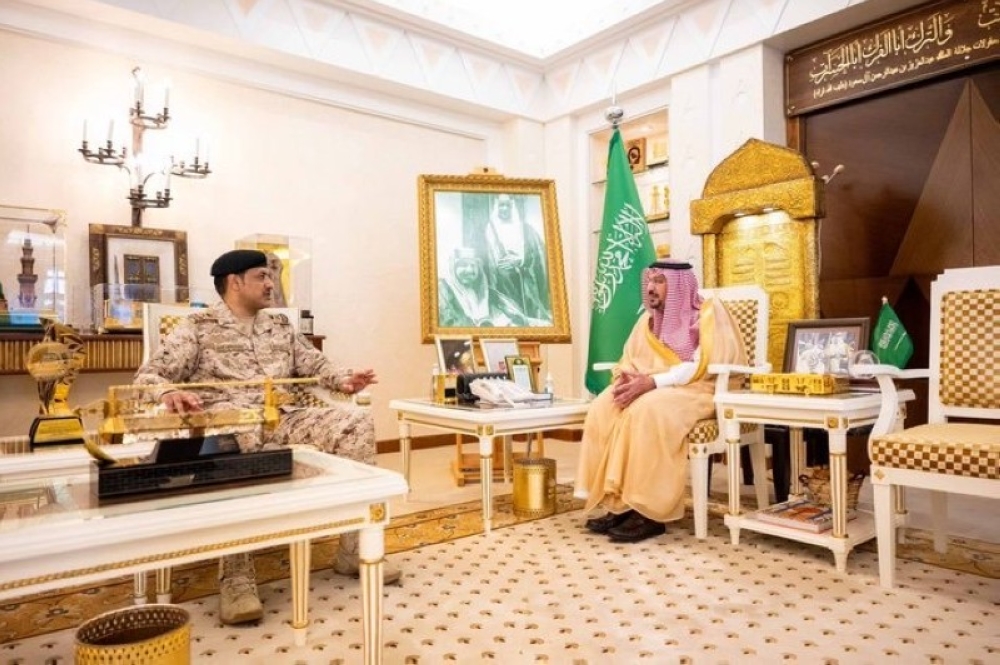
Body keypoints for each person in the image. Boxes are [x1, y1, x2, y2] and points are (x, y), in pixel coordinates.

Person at [133, 249, 399, 626]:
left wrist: (342, 379)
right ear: (234, 282)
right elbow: (148, 376)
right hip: (230, 423)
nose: (271, 283)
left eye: (271, 275)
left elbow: (314, 364)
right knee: (235, 437)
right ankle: (237, 576)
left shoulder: (279, 325)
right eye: (262, 276)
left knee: (355, 422)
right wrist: (168, 392)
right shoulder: (197, 327)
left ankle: (354, 550)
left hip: (282, 418)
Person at [574, 260, 747, 543]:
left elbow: (701, 365)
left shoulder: (707, 314)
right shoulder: (647, 321)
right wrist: (628, 380)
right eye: (650, 280)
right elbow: (630, 358)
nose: (651, 287)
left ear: (679, 285)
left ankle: (649, 512)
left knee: (647, 411)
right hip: (655, 386)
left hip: (699, 388)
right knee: (604, 406)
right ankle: (619, 504)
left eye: (659, 281)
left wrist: (653, 382)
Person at [482, 193, 551, 323]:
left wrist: (521, 260)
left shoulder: (526, 229)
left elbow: (539, 251)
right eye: (501, 205)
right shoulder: (488, 230)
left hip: (525, 278)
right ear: (496, 207)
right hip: (500, 281)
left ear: (512, 207)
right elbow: (484, 257)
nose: (504, 209)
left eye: (507, 205)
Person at [438, 246, 529, 328]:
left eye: (473, 265)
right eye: (463, 265)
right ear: (452, 268)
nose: (469, 270)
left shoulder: (490, 294)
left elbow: (515, 317)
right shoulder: (442, 293)